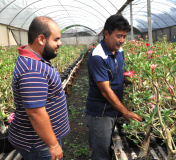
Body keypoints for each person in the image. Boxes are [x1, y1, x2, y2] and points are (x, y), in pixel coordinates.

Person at [9, 16, 70, 160]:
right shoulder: (32, 69)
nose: (60, 43)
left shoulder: (36, 61)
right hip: (40, 145)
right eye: (56, 39)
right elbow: (35, 113)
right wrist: (53, 145)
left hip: (42, 142)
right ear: (41, 39)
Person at [84, 14, 143, 160]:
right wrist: (125, 112)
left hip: (114, 108)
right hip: (101, 113)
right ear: (106, 33)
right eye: (118, 36)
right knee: (100, 153)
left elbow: (120, 73)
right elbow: (105, 90)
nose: (122, 40)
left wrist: (133, 81)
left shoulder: (119, 51)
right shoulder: (98, 56)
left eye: (124, 36)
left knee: (110, 148)